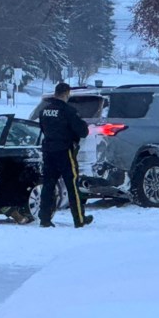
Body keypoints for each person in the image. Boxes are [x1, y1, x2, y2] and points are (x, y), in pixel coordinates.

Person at [38, 82, 92, 228]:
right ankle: (79, 219)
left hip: (48, 151)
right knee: (72, 184)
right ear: (67, 93)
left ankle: (44, 218)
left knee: (48, 184)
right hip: (65, 151)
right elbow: (83, 131)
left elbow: (42, 128)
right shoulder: (68, 111)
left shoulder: (44, 110)